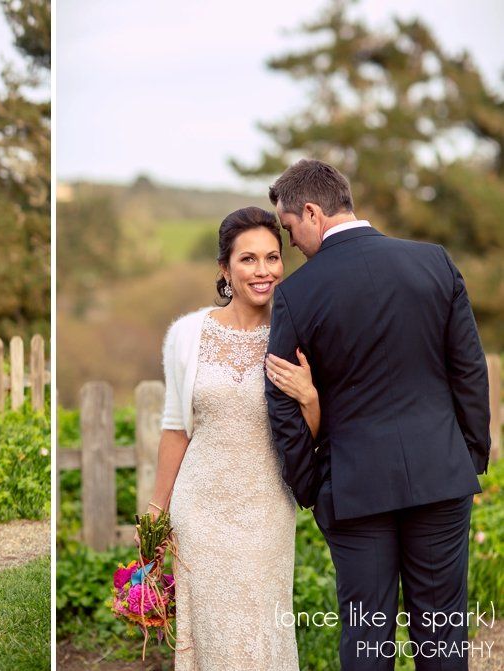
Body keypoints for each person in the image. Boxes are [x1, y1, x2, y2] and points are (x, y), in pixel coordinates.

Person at [265, 159, 490, 670]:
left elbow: (280, 397)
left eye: (290, 227)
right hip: (441, 475)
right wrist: (469, 454)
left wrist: (310, 485)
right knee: (442, 635)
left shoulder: (297, 296)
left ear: (312, 212)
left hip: (353, 488)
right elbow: (469, 371)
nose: (292, 242)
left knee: (367, 636)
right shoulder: (434, 262)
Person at [144, 207, 315, 670]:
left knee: (260, 632)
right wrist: (156, 515)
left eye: (273, 257)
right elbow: (176, 428)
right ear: (225, 268)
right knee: (212, 634)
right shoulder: (186, 334)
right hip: (199, 510)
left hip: (266, 509)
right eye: (248, 259)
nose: (263, 271)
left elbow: (318, 434)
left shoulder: (301, 333)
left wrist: (310, 396)